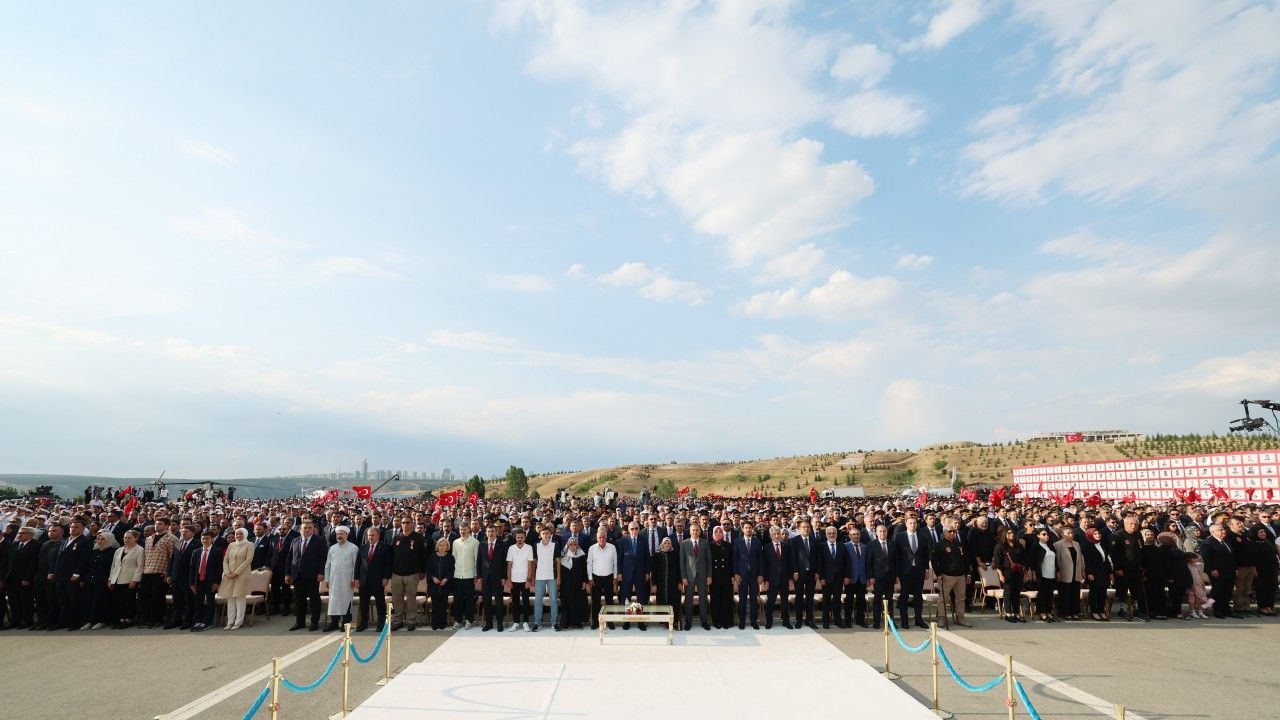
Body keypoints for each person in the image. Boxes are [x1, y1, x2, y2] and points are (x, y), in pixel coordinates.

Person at [387, 516, 426, 631]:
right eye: (403, 522)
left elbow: (423, 556)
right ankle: (398, 620)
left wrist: (422, 571)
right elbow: (391, 556)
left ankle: (411, 620)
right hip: (396, 574)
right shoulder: (396, 537)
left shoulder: (418, 538)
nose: (405, 524)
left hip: (412, 574)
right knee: (397, 599)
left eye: (408, 522)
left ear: (412, 524)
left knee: (411, 598)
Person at [288, 521, 327, 632]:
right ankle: (300, 622)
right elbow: (290, 558)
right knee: (299, 600)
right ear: (300, 530)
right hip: (298, 575)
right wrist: (288, 574)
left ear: (313, 529)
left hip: (313, 575)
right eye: (305, 528)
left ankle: (315, 622)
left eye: (310, 528)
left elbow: (323, 559)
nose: (307, 530)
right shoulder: (295, 541)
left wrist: (321, 572)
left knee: (314, 599)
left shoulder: (319, 541)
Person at [890, 516, 929, 629]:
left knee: (918, 595)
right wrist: (897, 572)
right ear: (906, 524)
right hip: (905, 571)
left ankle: (918, 619)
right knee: (904, 595)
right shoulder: (899, 536)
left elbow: (926, 554)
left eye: (914, 523)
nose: (913, 525)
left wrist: (926, 569)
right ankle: (904, 620)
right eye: (910, 523)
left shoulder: (922, 536)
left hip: (919, 570)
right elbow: (895, 555)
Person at [54, 519, 92, 630]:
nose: (73, 529)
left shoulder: (85, 541)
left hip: (72, 576)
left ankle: (75, 622)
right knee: (62, 600)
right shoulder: (65, 540)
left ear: (83, 529)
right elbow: (59, 558)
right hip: (60, 575)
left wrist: (77, 574)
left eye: (76, 527)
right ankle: (63, 621)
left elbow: (83, 560)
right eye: (71, 527)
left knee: (74, 600)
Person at [932, 524, 970, 627]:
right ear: (945, 532)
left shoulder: (959, 544)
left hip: (960, 575)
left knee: (961, 598)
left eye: (954, 531)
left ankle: (960, 617)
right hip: (946, 575)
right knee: (943, 598)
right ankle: (942, 618)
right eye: (950, 531)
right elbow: (934, 561)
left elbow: (966, 560)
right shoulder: (940, 545)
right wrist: (938, 574)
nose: (953, 533)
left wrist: (967, 573)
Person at [355, 526, 392, 632]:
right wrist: (357, 578)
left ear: (378, 536)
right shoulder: (363, 547)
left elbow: (388, 564)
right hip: (364, 580)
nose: (370, 537)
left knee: (380, 602)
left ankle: (381, 622)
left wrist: (386, 577)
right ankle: (364, 622)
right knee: (364, 602)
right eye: (369, 535)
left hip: (378, 580)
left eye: (373, 535)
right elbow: (358, 564)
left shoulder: (385, 547)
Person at [140, 518, 175, 628]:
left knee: (157, 597)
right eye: (156, 523)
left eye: (160, 524)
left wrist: (168, 572)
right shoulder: (149, 538)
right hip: (147, 571)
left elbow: (173, 557)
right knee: (145, 596)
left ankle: (157, 619)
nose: (157, 525)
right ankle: (146, 619)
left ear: (167, 525)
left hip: (161, 571)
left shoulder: (172, 538)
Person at [108, 529, 145, 629]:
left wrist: (135, 580)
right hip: (117, 578)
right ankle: (121, 619)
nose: (126, 539)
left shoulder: (140, 550)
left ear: (135, 538)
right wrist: (110, 579)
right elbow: (114, 566)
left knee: (129, 600)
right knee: (119, 600)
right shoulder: (118, 550)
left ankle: (129, 619)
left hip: (130, 579)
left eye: (129, 538)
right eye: (125, 537)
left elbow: (140, 566)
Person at [324, 526, 358, 632]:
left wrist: (354, 579)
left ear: (347, 535)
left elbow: (356, 565)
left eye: (342, 534)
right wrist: (327, 578)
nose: (340, 536)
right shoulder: (332, 548)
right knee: (333, 601)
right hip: (333, 580)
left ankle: (345, 623)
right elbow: (328, 565)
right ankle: (334, 623)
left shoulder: (353, 548)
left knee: (346, 601)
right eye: (338, 534)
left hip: (347, 580)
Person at [188, 530, 223, 632]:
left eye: (207, 538)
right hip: (199, 579)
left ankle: (208, 621)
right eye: (203, 538)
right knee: (198, 601)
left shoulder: (217, 551)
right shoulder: (196, 552)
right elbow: (192, 568)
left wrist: (217, 582)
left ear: (212, 539)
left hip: (211, 580)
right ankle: (199, 621)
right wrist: (191, 583)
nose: (205, 540)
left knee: (210, 601)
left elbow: (219, 568)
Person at [617, 521, 649, 630]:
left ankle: (640, 621)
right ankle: (627, 621)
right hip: (626, 574)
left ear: (639, 529)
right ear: (628, 530)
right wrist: (619, 573)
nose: (634, 531)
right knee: (626, 597)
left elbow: (647, 557)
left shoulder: (644, 540)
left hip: (640, 573)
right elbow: (620, 558)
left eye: (636, 528)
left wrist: (647, 572)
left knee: (641, 597)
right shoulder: (622, 541)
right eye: (632, 529)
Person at [4, 526, 39, 629]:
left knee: (25, 601)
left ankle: (27, 621)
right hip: (11, 578)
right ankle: (15, 621)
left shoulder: (36, 545)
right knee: (13, 601)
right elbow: (8, 562)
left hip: (25, 578)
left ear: (30, 535)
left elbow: (33, 564)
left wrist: (28, 578)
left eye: (22, 533)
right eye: (19, 533)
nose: (19, 535)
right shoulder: (14, 544)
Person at [82, 531, 117, 630]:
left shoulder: (113, 552)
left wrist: (110, 580)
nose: (100, 541)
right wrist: (84, 579)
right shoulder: (94, 551)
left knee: (100, 601)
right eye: (98, 539)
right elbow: (87, 566)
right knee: (89, 600)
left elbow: (114, 567)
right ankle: (90, 621)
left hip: (103, 580)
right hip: (90, 579)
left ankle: (100, 620)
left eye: (102, 539)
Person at [1202, 523, 1239, 618]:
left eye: (1223, 529)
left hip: (1229, 570)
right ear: (1213, 532)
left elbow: (1232, 556)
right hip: (1217, 571)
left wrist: (1235, 568)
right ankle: (1218, 610)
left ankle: (1226, 609)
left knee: (1228, 591)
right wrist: (1212, 569)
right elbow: (1207, 558)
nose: (1223, 531)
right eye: (1220, 530)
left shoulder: (1225, 541)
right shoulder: (1208, 542)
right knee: (1218, 591)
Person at [475, 524, 507, 632]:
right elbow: (479, 561)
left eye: (492, 531)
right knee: (486, 601)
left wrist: (504, 577)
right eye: (488, 531)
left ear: (496, 532)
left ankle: (499, 623)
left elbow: (504, 562)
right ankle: (488, 623)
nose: (490, 533)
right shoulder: (482, 544)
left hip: (498, 578)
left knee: (499, 601)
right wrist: (479, 576)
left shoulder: (502, 544)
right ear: (486, 532)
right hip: (485, 578)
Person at [679, 523, 711, 630]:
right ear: (689, 531)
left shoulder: (705, 543)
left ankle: (704, 621)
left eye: (697, 530)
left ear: (700, 531)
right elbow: (682, 562)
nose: (695, 532)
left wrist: (709, 576)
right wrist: (683, 577)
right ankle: (688, 622)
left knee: (703, 599)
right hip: (689, 577)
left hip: (703, 576)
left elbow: (709, 561)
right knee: (688, 600)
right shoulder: (684, 543)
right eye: (693, 530)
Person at [220, 527, 254, 630]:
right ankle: (230, 622)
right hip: (229, 575)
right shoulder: (231, 545)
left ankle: (238, 622)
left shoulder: (249, 545)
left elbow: (248, 560)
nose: (238, 536)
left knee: (240, 599)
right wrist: (227, 572)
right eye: (237, 534)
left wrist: (236, 572)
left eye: (241, 534)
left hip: (242, 575)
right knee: (230, 599)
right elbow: (225, 560)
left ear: (245, 534)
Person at [166, 526, 199, 629]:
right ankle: (176, 620)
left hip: (188, 577)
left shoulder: (197, 544)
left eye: (186, 532)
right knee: (177, 600)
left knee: (189, 600)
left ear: (193, 533)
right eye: (182, 532)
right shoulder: (178, 543)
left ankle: (188, 621)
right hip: (176, 577)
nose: (183, 533)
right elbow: (172, 560)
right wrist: (169, 574)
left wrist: (194, 579)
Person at [993, 526, 1027, 623]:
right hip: (1007, 572)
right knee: (1008, 592)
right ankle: (1008, 613)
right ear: (1004, 534)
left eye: (1013, 533)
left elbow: (1023, 559)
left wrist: (1025, 572)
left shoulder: (1018, 545)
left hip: (1019, 571)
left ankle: (1016, 613)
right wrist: (1000, 575)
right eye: (1009, 533)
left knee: (1017, 593)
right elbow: (997, 563)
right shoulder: (1000, 546)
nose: (1012, 535)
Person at [732, 521, 763, 629]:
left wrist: (760, 574)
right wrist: (736, 573)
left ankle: (754, 621)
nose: (748, 529)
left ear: (752, 529)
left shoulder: (757, 541)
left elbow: (760, 559)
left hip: (754, 575)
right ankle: (742, 621)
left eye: (750, 527)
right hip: (742, 575)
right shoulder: (737, 541)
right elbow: (735, 559)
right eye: (746, 527)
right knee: (742, 599)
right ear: (743, 529)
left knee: (754, 599)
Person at [815, 525, 847, 629]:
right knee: (826, 600)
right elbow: (819, 563)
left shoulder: (842, 546)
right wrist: (821, 578)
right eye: (830, 533)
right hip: (826, 578)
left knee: (837, 600)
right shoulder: (822, 546)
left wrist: (846, 576)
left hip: (839, 578)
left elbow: (846, 562)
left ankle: (837, 620)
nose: (832, 535)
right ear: (826, 534)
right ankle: (826, 621)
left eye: (834, 533)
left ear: (836, 534)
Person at [585, 528, 617, 630]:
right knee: (596, 601)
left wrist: (615, 577)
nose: (602, 539)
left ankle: (610, 622)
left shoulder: (612, 547)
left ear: (606, 537)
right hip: (596, 578)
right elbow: (589, 564)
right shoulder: (592, 548)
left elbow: (615, 563)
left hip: (609, 577)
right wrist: (590, 579)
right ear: (596, 538)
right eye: (600, 537)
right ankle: (596, 622)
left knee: (609, 600)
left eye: (603, 537)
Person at [789, 520, 819, 629]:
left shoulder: (815, 540)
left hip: (811, 573)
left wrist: (817, 572)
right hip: (799, 574)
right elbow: (792, 558)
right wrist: (795, 572)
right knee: (799, 598)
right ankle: (799, 620)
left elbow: (818, 558)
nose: (806, 529)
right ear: (799, 529)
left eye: (807, 527)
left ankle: (809, 620)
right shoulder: (794, 540)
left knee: (810, 597)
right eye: (803, 527)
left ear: (810, 529)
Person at [530, 527, 560, 632]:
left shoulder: (555, 544)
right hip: (539, 577)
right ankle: (537, 623)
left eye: (547, 533)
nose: (546, 535)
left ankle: (554, 623)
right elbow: (534, 562)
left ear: (550, 534)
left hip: (552, 576)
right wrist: (532, 577)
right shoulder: (536, 545)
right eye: (543, 533)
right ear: (540, 535)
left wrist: (559, 577)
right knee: (538, 600)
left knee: (554, 600)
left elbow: (558, 561)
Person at [450, 523, 478, 629]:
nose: (462, 531)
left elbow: (476, 560)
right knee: (458, 600)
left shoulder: (475, 542)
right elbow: (453, 559)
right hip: (457, 575)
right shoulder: (455, 542)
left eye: (464, 529)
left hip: (469, 575)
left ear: (469, 529)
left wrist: (475, 575)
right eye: (461, 529)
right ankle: (457, 620)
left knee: (469, 600)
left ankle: (469, 620)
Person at [1052, 527, 1084, 621]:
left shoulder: (1076, 544)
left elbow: (1081, 558)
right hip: (1064, 572)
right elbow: (1057, 560)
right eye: (1068, 533)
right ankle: (1065, 612)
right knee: (1065, 593)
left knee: (1075, 592)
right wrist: (1058, 572)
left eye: (1071, 533)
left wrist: (1082, 569)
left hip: (1076, 572)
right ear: (1062, 535)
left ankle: (1075, 612)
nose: (1071, 534)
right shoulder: (1057, 544)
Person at [1158, 532, 1191, 620]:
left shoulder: (1174, 547)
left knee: (1180, 594)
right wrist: (1169, 577)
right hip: (1174, 576)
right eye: (1172, 538)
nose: (1175, 539)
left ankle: (1177, 610)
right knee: (1175, 594)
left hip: (1181, 575)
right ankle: (1175, 612)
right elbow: (1166, 564)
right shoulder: (1163, 549)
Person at [507, 529, 535, 631]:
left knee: (526, 602)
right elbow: (509, 565)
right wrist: (509, 580)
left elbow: (530, 565)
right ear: (515, 538)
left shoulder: (529, 548)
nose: (520, 539)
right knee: (515, 602)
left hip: (525, 579)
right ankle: (516, 622)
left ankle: (525, 622)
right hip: (514, 579)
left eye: (522, 537)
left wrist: (528, 579)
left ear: (524, 538)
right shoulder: (511, 548)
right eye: (518, 537)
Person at [866, 524, 894, 629]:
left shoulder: (892, 543)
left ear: (887, 532)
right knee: (877, 600)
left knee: (889, 600)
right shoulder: (872, 544)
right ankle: (876, 622)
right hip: (877, 578)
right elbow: (869, 562)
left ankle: (889, 622)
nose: (882, 533)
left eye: (884, 531)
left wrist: (896, 576)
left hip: (890, 576)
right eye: (880, 531)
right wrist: (871, 577)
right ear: (876, 533)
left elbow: (895, 561)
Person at [1081, 528, 1112, 621]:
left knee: (1103, 593)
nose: (1098, 535)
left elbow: (1106, 560)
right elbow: (1087, 561)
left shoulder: (1101, 544)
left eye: (1098, 533)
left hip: (1103, 572)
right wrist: (1089, 573)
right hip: (1093, 573)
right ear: (1090, 535)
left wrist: (1110, 572)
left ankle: (1101, 610)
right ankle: (1094, 612)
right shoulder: (1087, 545)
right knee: (1094, 593)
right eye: (1095, 534)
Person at [841, 525, 869, 628]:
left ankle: (860, 620)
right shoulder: (845, 546)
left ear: (860, 535)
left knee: (861, 600)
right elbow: (844, 564)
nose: (856, 536)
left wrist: (867, 577)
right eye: (853, 534)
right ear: (849, 536)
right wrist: (846, 576)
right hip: (850, 578)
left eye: (857, 534)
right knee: (849, 600)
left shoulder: (865, 547)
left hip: (862, 578)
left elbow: (867, 564)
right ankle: (848, 621)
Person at [559, 535, 589, 629]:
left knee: (577, 602)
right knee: (567, 602)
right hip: (566, 583)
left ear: (577, 545)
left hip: (578, 583)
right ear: (568, 545)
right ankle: (566, 623)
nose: (572, 546)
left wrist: (584, 581)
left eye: (574, 544)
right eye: (571, 544)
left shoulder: (581, 555)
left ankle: (577, 622)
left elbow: (584, 569)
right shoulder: (563, 555)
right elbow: (560, 570)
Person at [1028, 529, 1057, 622]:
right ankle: (1041, 612)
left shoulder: (1051, 546)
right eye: (1043, 534)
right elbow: (1032, 561)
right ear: (1038, 536)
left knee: (1050, 594)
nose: (1046, 536)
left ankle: (1048, 612)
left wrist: (1058, 571)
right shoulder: (1035, 546)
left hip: (1052, 573)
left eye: (1047, 534)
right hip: (1042, 574)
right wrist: (1033, 573)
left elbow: (1056, 560)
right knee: (1042, 594)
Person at [709, 525, 734, 628]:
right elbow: (708, 563)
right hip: (714, 577)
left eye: (720, 531)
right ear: (713, 534)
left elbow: (732, 561)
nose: (718, 533)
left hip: (726, 576)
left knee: (726, 599)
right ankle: (717, 621)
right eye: (716, 532)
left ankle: (726, 621)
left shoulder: (728, 545)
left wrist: (732, 575)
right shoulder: (709, 545)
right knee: (715, 600)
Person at [426, 537, 454, 630]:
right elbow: (428, 570)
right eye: (440, 545)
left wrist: (446, 579)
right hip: (434, 585)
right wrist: (433, 578)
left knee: (443, 605)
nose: (442, 547)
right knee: (435, 605)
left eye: (444, 545)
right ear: (437, 546)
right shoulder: (432, 557)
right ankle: (434, 623)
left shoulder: (450, 557)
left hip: (445, 585)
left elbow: (452, 571)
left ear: (447, 547)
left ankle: (442, 623)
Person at [1251, 524, 1278, 616]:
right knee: (1262, 589)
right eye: (1261, 532)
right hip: (1261, 570)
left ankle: (1269, 607)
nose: (1263, 533)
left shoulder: (1268, 541)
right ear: (1256, 533)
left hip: (1271, 569)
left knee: (1271, 588)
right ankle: (1262, 607)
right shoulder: (1254, 543)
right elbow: (1254, 558)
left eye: (1264, 532)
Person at [1185, 552, 1212, 618]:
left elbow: (1200, 575)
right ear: (1189, 559)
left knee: (1199, 598)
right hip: (1191, 585)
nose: (1196, 559)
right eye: (1194, 558)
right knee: (1192, 598)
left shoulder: (1197, 566)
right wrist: (1191, 585)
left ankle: (1200, 611)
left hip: (1199, 584)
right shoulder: (1186, 566)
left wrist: (1203, 583)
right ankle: (1193, 612)